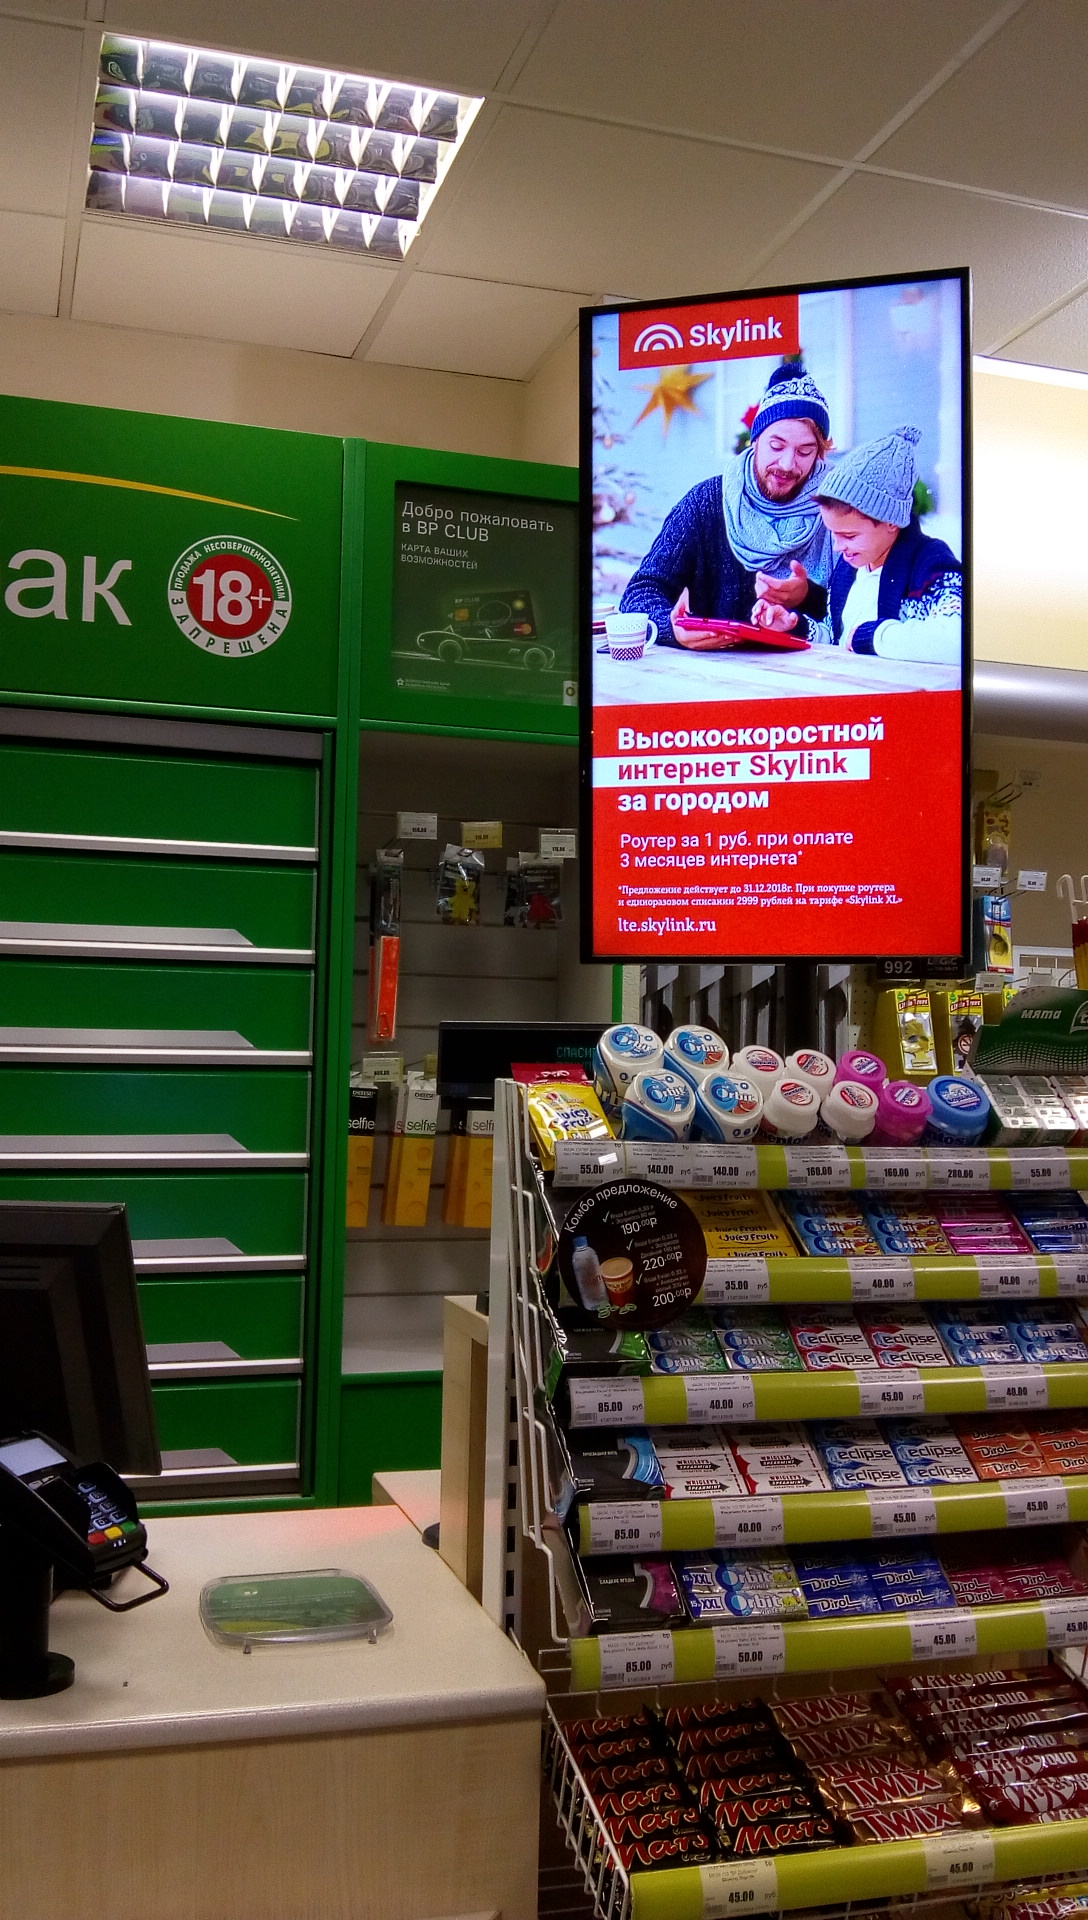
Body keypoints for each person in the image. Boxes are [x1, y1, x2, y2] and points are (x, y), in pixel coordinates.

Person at [617, 364, 834, 649]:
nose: (787, 464)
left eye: (804, 451)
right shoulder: (705, 503)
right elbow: (640, 592)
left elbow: (855, 611)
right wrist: (672, 629)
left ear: (819, 454)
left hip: (811, 674)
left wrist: (806, 596)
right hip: (712, 673)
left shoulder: (835, 508)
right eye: (776, 446)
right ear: (756, 441)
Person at [753, 424, 962, 665]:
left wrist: (875, 637)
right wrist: (793, 626)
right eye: (834, 534)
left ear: (891, 522)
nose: (837, 547)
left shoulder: (930, 564)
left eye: (849, 536)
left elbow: (958, 639)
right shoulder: (849, 569)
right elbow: (840, 637)